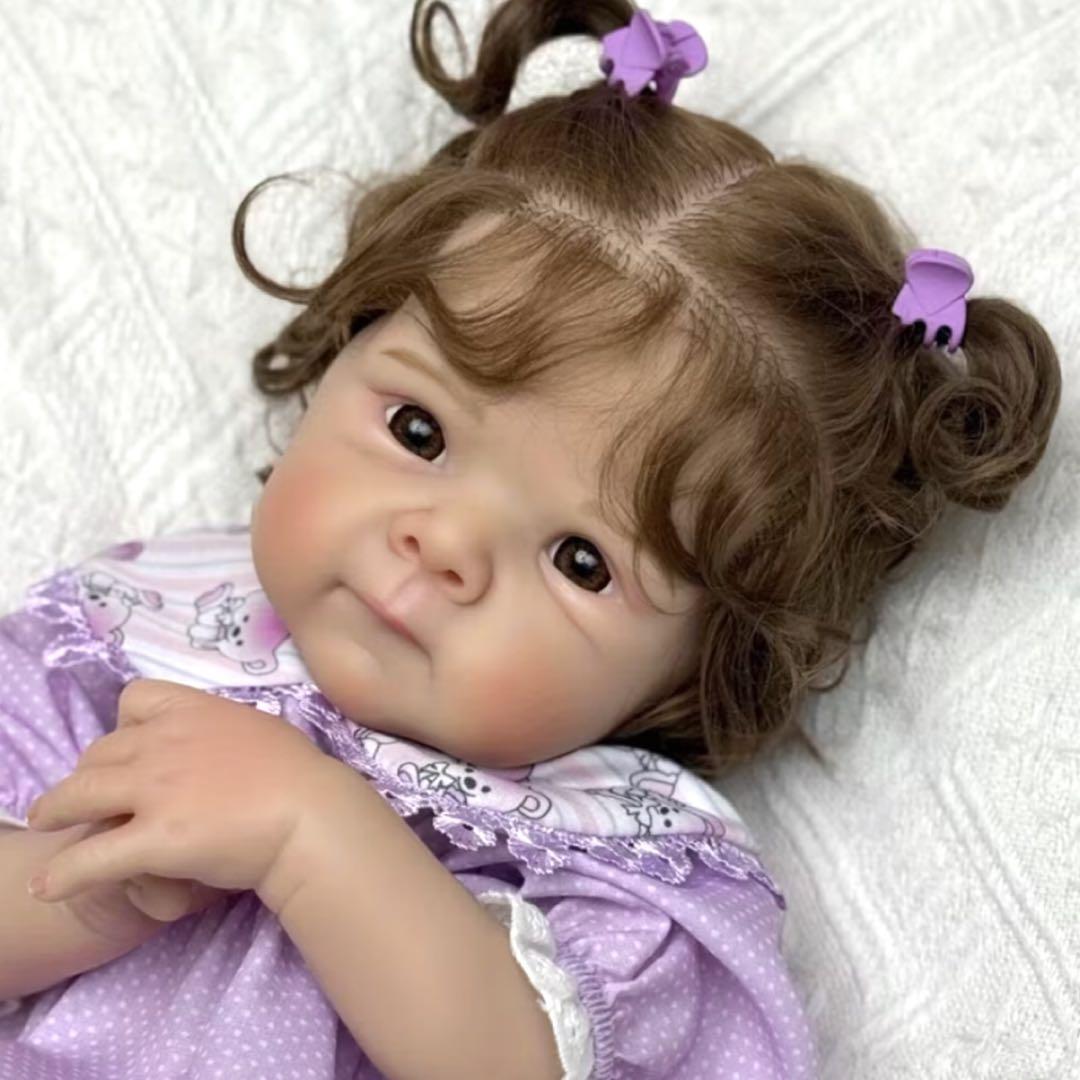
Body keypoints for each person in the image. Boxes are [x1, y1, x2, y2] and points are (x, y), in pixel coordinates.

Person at [0, 1, 1062, 1077]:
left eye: (580, 560)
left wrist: (307, 832)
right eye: (419, 432)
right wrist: (100, 889)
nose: (444, 546)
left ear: (700, 669)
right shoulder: (134, 639)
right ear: (345, 346)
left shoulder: (620, 856)